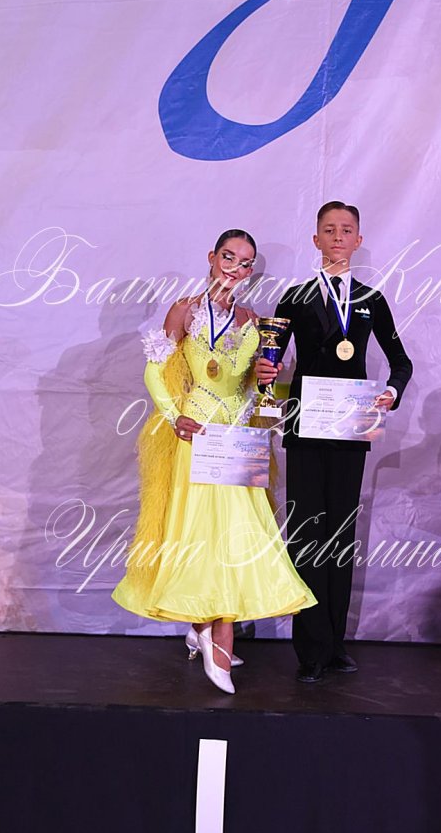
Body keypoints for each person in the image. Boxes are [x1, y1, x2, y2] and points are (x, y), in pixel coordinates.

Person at [112, 229, 317, 694]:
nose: (235, 268)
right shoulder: (184, 310)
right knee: (199, 532)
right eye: (229, 256)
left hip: (238, 436)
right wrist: (174, 416)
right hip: (198, 433)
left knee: (239, 534)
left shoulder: (252, 319)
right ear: (212, 256)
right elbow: (154, 371)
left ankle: (206, 626)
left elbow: (256, 389)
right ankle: (216, 633)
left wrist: (268, 377)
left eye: (245, 263)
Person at [255, 202, 413, 683]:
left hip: (350, 432)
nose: (338, 237)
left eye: (346, 230)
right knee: (307, 534)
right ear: (316, 240)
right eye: (329, 229)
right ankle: (311, 650)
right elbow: (271, 361)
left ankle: (336, 644)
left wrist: (391, 392)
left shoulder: (371, 299)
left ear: (358, 240)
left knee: (340, 536)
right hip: (305, 429)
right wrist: (265, 373)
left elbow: (401, 361)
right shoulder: (295, 298)